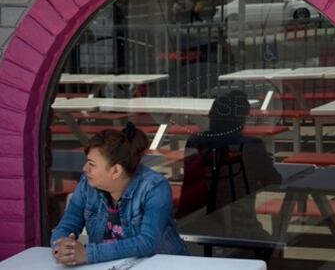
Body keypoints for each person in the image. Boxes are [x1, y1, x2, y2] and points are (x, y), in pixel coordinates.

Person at [50, 123, 187, 265]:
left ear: (115, 171)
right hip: (108, 266)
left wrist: (88, 254)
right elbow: (66, 226)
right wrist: (61, 248)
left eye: (91, 164)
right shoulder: (87, 184)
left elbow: (148, 242)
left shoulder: (154, 187)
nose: (85, 168)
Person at [177, 90, 281, 236]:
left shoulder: (195, 143)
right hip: (240, 231)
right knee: (275, 243)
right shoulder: (251, 147)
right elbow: (274, 181)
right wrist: (261, 163)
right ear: (241, 121)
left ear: (211, 117)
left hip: (197, 226)